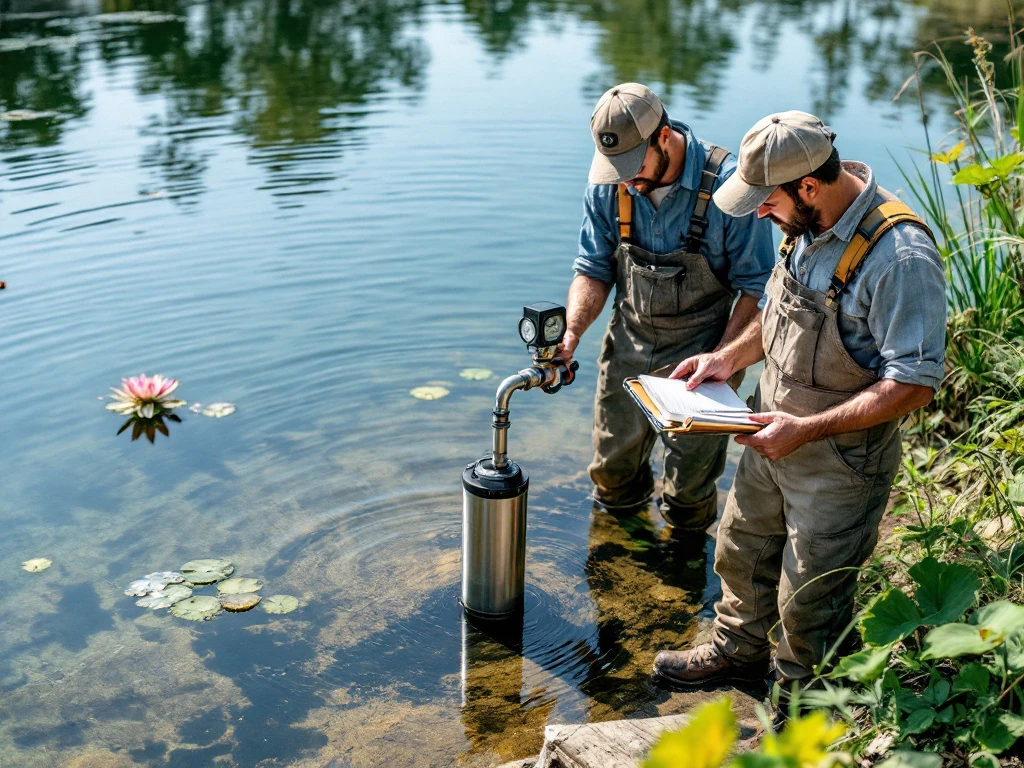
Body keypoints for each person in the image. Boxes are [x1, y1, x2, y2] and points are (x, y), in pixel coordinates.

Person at [651, 111, 947, 688]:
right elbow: (776, 316)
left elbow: (913, 384)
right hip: (771, 431)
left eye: (767, 201)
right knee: (741, 546)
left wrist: (806, 430)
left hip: (839, 460)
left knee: (810, 593)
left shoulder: (901, 257)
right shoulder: (805, 223)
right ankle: (736, 650)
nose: (760, 211)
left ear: (808, 185)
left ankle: (800, 697)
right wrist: (729, 359)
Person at [559, 83, 775, 530]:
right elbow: (593, 268)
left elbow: (758, 291)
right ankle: (617, 555)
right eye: (614, 168)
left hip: (706, 355)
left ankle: (685, 573)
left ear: (664, 136)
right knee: (611, 475)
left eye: (632, 166)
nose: (625, 180)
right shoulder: (610, 185)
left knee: (687, 493)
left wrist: (724, 358)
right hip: (629, 343)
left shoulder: (729, 188)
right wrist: (573, 331)